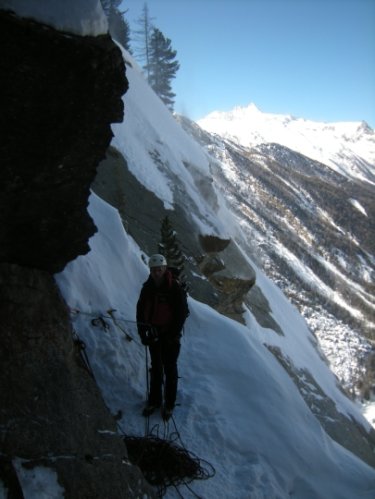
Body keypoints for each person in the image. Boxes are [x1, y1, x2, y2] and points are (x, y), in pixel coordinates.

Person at [136, 254, 189, 421]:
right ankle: (154, 401)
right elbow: (140, 311)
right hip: (153, 333)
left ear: (165, 269)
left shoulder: (174, 288)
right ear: (150, 271)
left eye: (159, 270)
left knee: (170, 369)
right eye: (154, 270)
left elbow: (182, 314)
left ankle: (169, 405)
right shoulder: (147, 288)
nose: (156, 273)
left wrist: (171, 334)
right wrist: (142, 332)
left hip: (170, 337)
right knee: (156, 368)